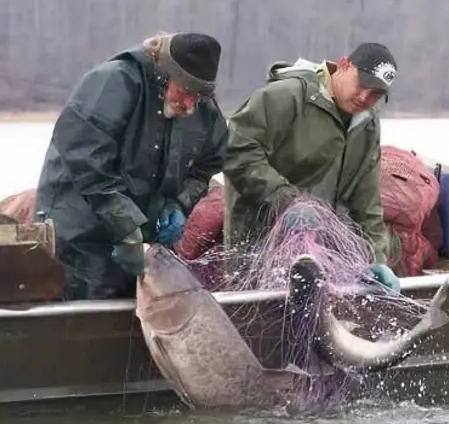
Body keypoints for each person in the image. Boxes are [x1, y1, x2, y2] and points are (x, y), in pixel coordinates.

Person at [35, 32, 229, 301]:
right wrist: (124, 224)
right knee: (89, 320)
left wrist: (178, 204)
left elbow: (208, 163)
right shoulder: (116, 82)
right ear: (165, 77)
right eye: (184, 93)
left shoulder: (202, 108)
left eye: (198, 98)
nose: (189, 105)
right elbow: (86, 159)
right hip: (81, 234)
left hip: (144, 240)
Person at [222, 42, 401, 293]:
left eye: (375, 95)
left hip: (323, 258)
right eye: (361, 85)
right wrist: (287, 201)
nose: (364, 98)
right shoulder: (285, 96)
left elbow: (367, 203)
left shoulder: (367, 125)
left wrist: (377, 261)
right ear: (344, 65)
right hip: (259, 247)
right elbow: (236, 150)